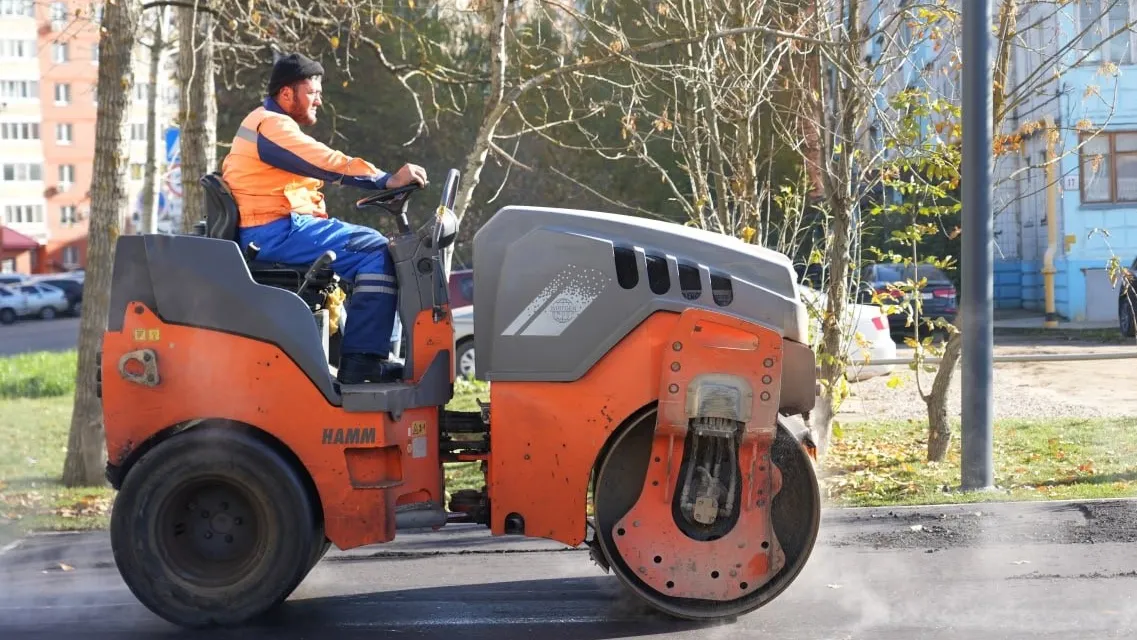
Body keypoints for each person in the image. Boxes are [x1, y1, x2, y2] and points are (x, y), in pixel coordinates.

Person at [221, 52, 427, 384]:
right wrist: (385, 180)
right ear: (287, 94)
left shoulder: (263, 122)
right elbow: (323, 161)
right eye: (312, 91)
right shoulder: (271, 124)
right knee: (375, 252)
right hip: (275, 231)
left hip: (272, 228)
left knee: (368, 247)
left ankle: (369, 351)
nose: (320, 98)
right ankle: (363, 361)